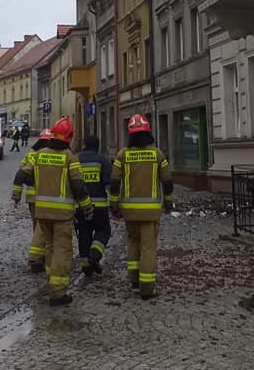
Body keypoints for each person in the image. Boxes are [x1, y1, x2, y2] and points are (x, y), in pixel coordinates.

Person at [12, 117, 93, 306]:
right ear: (69, 136)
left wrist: (16, 195)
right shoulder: (69, 157)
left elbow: (20, 175)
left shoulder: (39, 155)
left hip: (42, 212)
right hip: (62, 215)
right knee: (62, 250)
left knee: (49, 247)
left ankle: (51, 279)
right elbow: (79, 187)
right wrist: (87, 208)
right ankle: (57, 293)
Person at [108, 114, 173, 300]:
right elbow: (167, 182)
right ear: (148, 132)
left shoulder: (123, 155)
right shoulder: (157, 155)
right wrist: (168, 201)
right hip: (151, 212)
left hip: (129, 211)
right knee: (148, 247)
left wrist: (113, 205)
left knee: (132, 243)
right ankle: (147, 287)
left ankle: (134, 279)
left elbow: (114, 183)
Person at [14, 127, 54, 273]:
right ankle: (39, 258)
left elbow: (21, 173)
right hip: (48, 197)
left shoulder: (31, 154)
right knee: (44, 229)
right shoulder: (52, 154)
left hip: (32, 197)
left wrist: (17, 195)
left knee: (37, 227)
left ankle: (38, 255)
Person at [76, 134, 111, 276]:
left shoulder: (76, 160)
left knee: (84, 233)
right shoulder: (103, 160)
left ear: (84, 145)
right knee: (103, 230)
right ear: (97, 146)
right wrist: (116, 203)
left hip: (80, 206)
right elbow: (108, 183)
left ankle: (86, 263)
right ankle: (95, 254)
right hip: (100, 206)